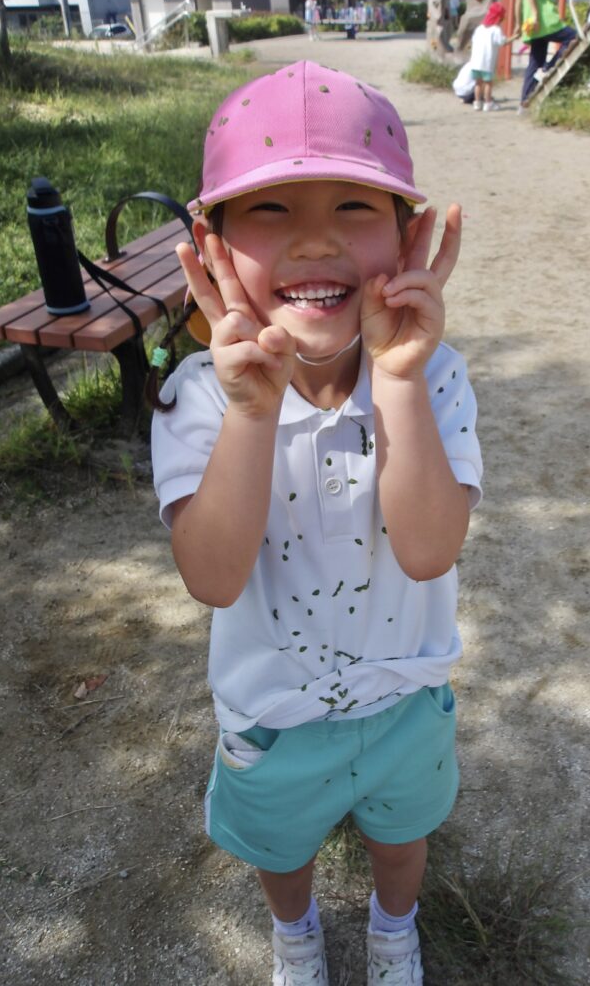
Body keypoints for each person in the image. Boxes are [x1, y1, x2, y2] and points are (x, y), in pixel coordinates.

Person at [150, 61, 483, 986]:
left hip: (405, 695)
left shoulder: (436, 377)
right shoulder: (197, 397)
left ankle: (393, 928)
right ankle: (295, 936)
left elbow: (429, 550)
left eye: (353, 207)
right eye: (269, 209)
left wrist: (399, 380)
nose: (314, 240)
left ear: (409, 235)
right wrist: (252, 413)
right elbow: (212, 577)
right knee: (281, 851)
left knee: (402, 842)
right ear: (213, 246)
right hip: (272, 713)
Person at [516, 0, 578, 108]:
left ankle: (525, 99)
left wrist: (518, 24)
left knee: (535, 62)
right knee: (573, 37)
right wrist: (535, 14)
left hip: (533, 26)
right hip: (546, 22)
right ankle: (547, 69)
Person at [469, 1, 520, 111]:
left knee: (478, 83)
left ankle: (477, 103)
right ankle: (488, 103)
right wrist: (514, 37)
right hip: (487, 63)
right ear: (499, 18)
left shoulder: (479, 28)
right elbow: (503, 42)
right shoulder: (496, 30)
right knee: (488, 83)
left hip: (475, 62)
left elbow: (473, 40)